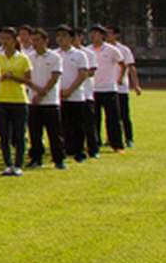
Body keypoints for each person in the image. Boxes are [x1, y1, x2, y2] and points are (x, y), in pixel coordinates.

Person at [26, 27, 66, 170]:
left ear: (45, 41)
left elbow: (54, 77)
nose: (35, 43)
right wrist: (36, 92)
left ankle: (59, 159)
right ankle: (36, 158)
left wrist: (42, 93)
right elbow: (26, 78)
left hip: (50, 101)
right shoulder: (29, 57)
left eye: (37, 40)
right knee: (34, 133)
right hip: (33, 101)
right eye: (33, 40)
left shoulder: (55, 57)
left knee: (54, 133)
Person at [0, 28, 31, 177]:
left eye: (8, 39)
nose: (5, 42)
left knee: (19, 134)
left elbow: (28, 79)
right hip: (1, 99)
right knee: (4, 134)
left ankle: (18, 164)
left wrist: (14, 77)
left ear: (15, 40)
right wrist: (2, 77)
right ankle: (8, 164)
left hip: (19, 100)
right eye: (2, 39)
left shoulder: (23, 58)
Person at [57, 26, 94, 164]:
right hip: (59, 96)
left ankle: (79, 152)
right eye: (59, 35)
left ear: (71, 38)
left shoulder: (80, 55)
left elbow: (83, 74)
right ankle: (66, 150)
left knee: (78, 125)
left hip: (76, 96)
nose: (61, 38)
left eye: (64, 35)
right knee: (62, 125)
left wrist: (69, 90)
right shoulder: (54, 54)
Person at [88, 26, 125, 154]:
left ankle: (117, 145)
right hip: (93, 89)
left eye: (96, 33)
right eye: (92, 33)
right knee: (94, 119)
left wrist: (119, 78)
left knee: (113, 119)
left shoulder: (112, 50)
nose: (93, 36)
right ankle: (95, 143)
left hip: (109, 89)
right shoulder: (88, 50)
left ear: (102, 35)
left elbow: (122, 64)